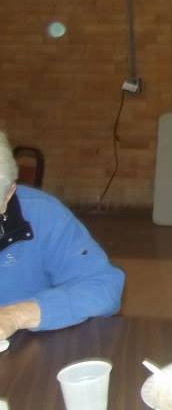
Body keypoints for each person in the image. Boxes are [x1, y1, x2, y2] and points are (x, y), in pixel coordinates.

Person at [0, 130, 124, 341]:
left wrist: (15, 316)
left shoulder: (42, 214)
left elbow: (103, 287)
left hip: (23, 358)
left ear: (9, 194)